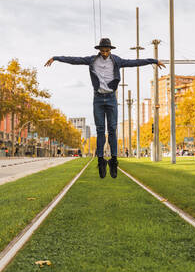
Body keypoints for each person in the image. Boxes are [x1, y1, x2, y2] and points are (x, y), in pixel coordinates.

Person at [44, 38, 166, 178]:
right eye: (102, 51)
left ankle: (113, 161)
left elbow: (134, 62)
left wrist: (154, 60)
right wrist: (56, 58)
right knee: (100, 130)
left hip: (111, 98)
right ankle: (101, 161)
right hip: (98, 98)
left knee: (112, 129)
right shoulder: (92, 60)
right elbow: (75, 60)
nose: (105, 53)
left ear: (111, 50)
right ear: (99, 50)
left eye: (107, 51)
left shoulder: (117, 61)